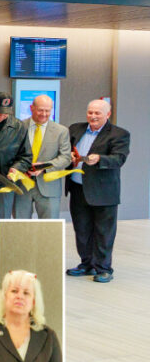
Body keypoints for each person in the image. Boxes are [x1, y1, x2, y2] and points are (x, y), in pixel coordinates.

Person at [65, 99, 129, 283]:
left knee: (104, 232)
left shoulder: (119, 134)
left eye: (97, 113)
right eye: (90, 112)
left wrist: (100, 159)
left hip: (103, 192)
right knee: (82, 230)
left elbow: (119, 158)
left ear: (107, 115)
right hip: (78, 188)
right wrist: (67, 155)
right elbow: (66, 150)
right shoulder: (75, 129)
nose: (93, 116)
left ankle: (103, 268)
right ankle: (86, 264)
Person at [13, 95, 71, 220]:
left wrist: (45, 167)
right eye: (40, 110)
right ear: (31, 108)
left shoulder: (61, 131)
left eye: (48, 110)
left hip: (49, 187)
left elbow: (66, 158)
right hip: (22, 186)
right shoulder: (18, 127)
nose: (44, 114)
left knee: (49, 230)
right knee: (20, 228)